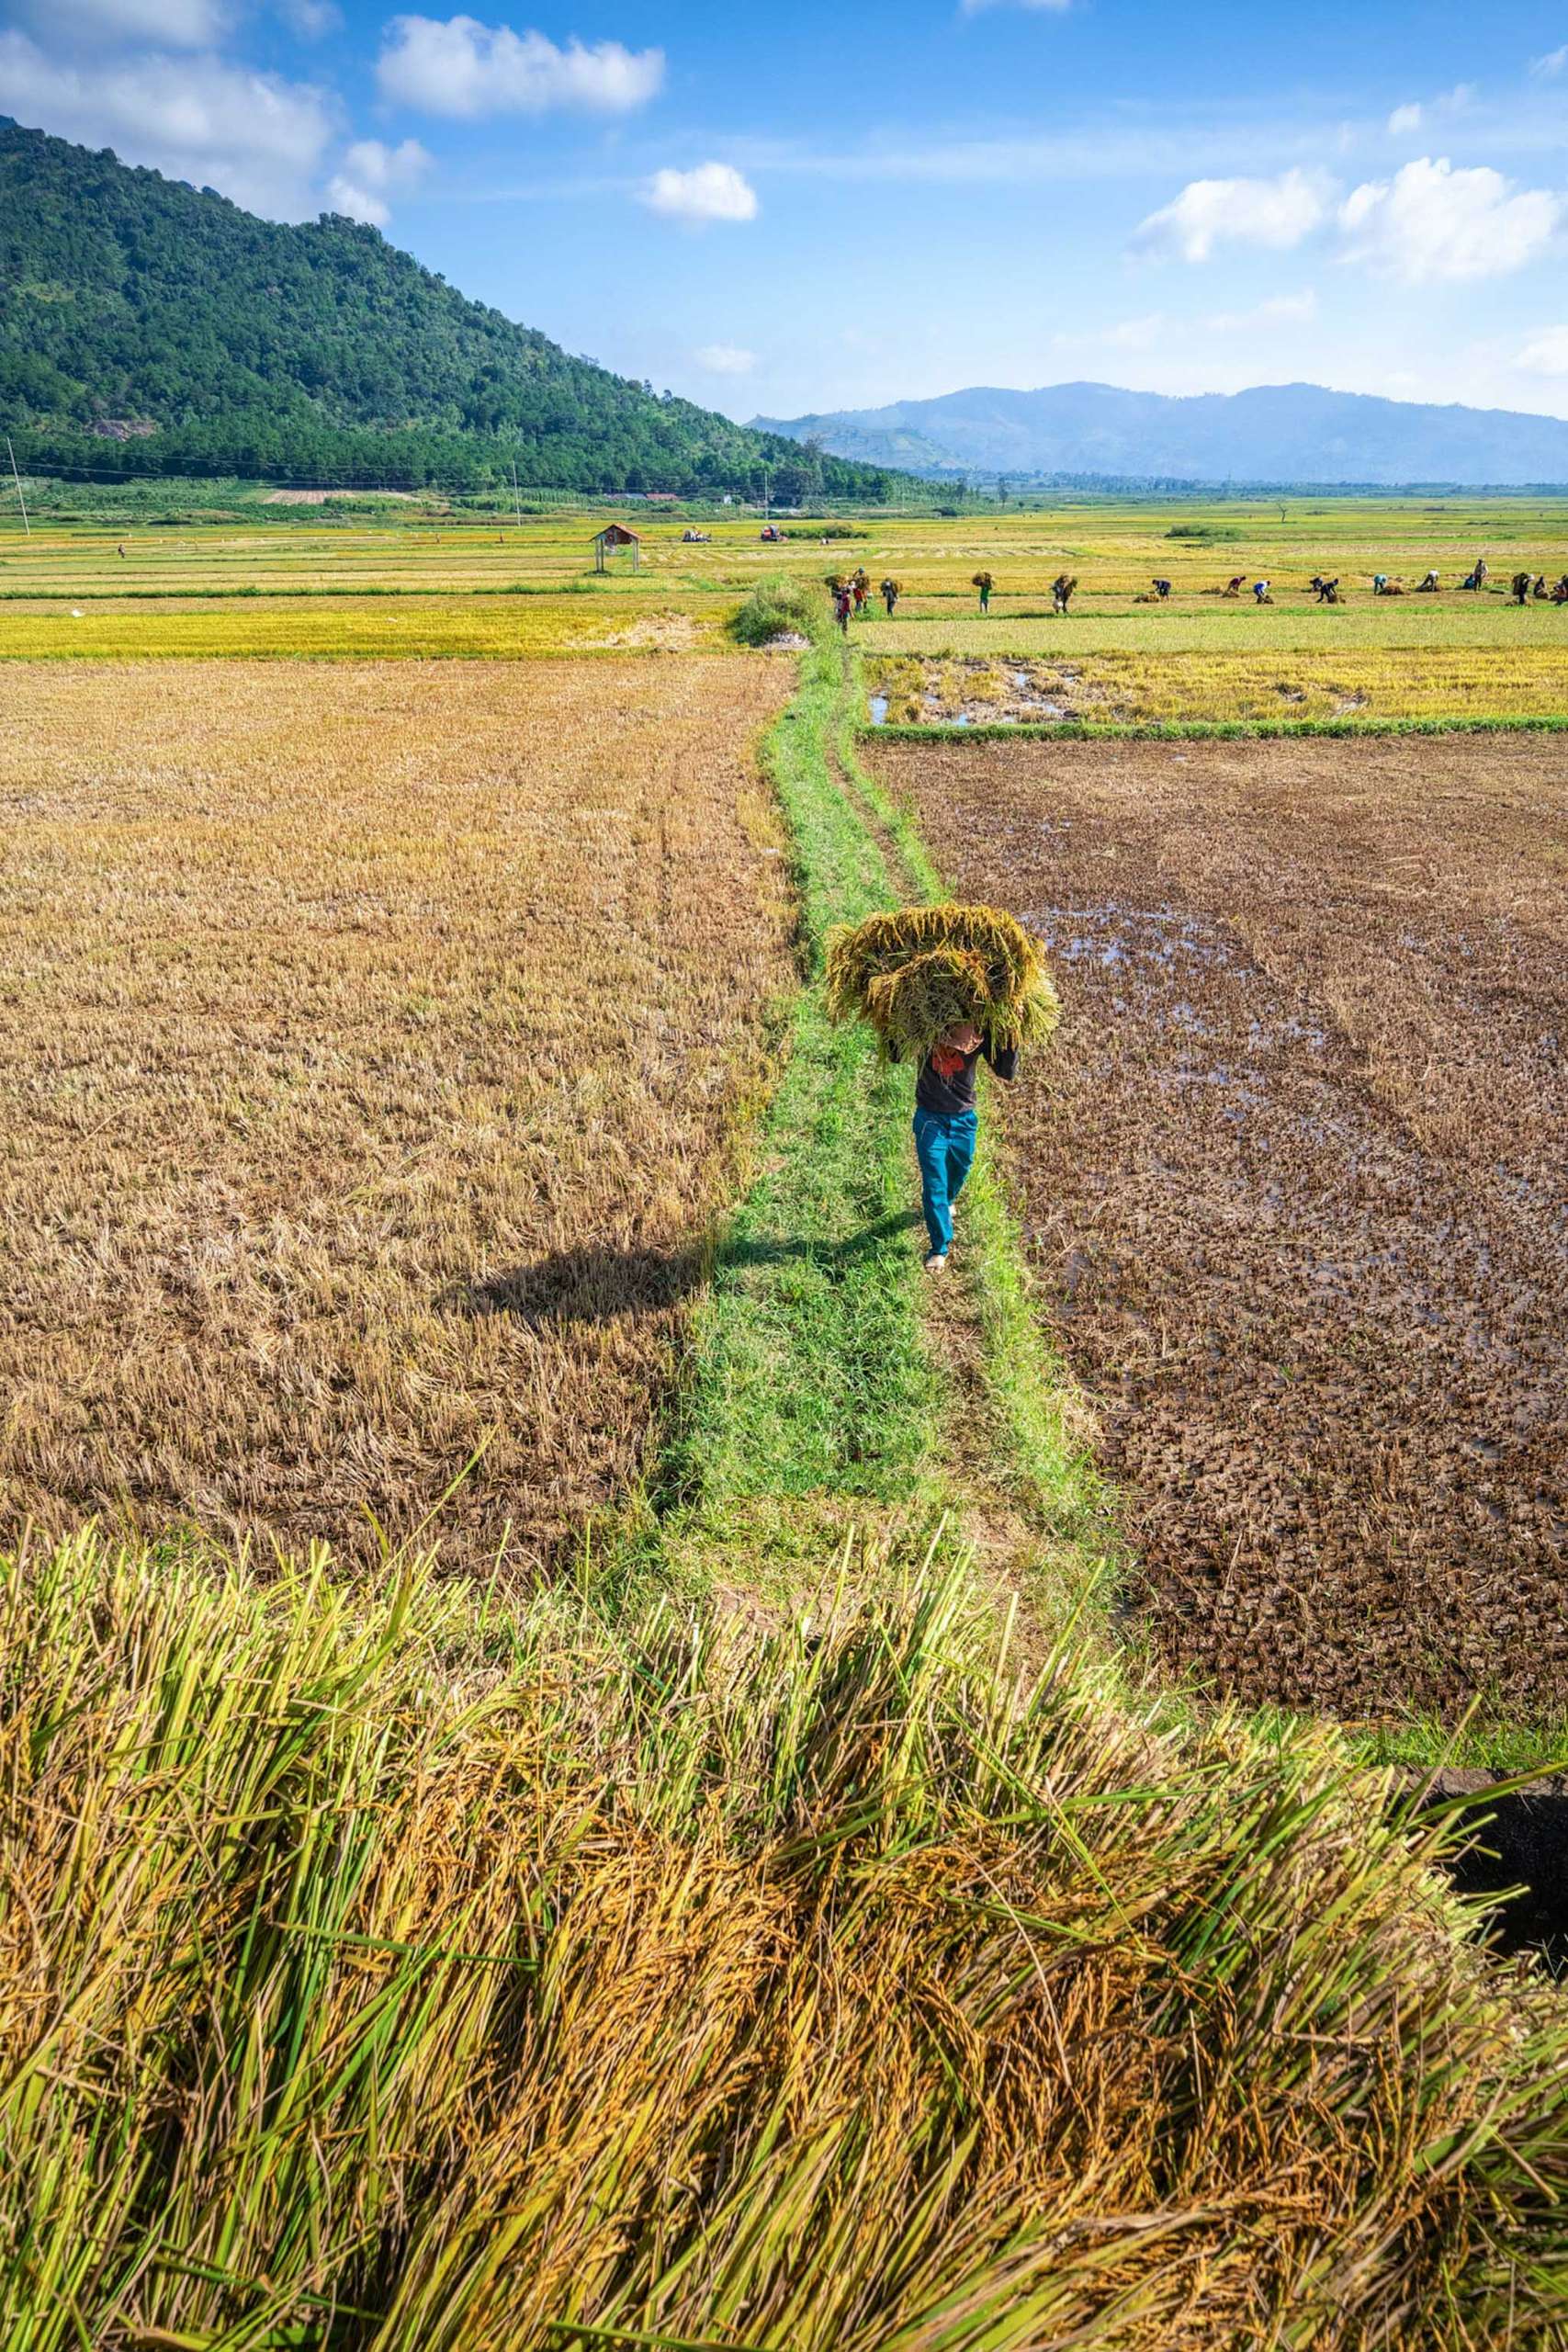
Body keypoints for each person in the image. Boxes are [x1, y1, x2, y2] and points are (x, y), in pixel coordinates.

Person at [910, 1021, 1016, 1272]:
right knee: (934, 1181)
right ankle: (939, 1248)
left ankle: (948, 1200)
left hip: (963, 1117)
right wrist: (886, 1020)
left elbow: (1005, 1071)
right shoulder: (923, 1022)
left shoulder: (979, 1029)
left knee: (961, 1168)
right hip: (930, 1117)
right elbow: (895, 1053)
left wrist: (1012, 1034)